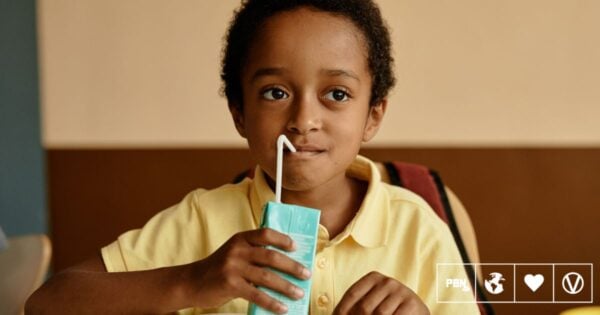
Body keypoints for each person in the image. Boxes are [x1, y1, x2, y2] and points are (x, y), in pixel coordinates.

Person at [27, 0, 479, 314]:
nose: (304, 119)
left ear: (373, 116)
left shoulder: (418, 230)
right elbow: (46, 303)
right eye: (275, 92)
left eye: (336, 94)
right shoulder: (202, 221)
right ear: (240, 113)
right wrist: (193, 281)